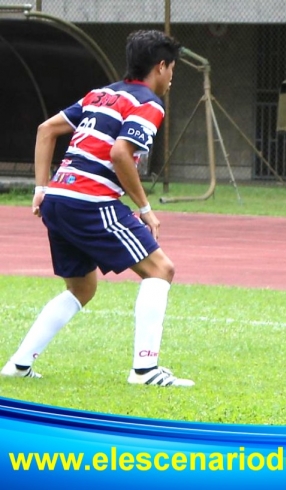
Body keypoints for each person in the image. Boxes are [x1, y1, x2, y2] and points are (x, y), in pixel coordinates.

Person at [1, 30, 194, 386]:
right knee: (161, 270)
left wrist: (41, 188)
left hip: (60, 199)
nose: (172, 77)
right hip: (91, 200)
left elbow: (46, 130)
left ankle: (19, 365)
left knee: (81, 289)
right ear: (161, 66)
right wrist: (146, 208)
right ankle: (145, 371)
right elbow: (121, 152)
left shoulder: (101, 94)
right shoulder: (149, 104)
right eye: (172, 69)